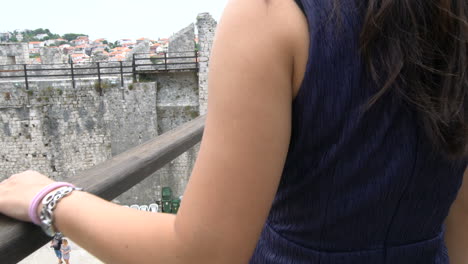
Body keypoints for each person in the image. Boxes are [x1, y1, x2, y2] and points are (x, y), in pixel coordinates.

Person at [0, 0, 467, 263]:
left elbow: (201, 254)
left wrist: (49, 197)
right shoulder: (454, 19)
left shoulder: (272, 17)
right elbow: (460, 223)